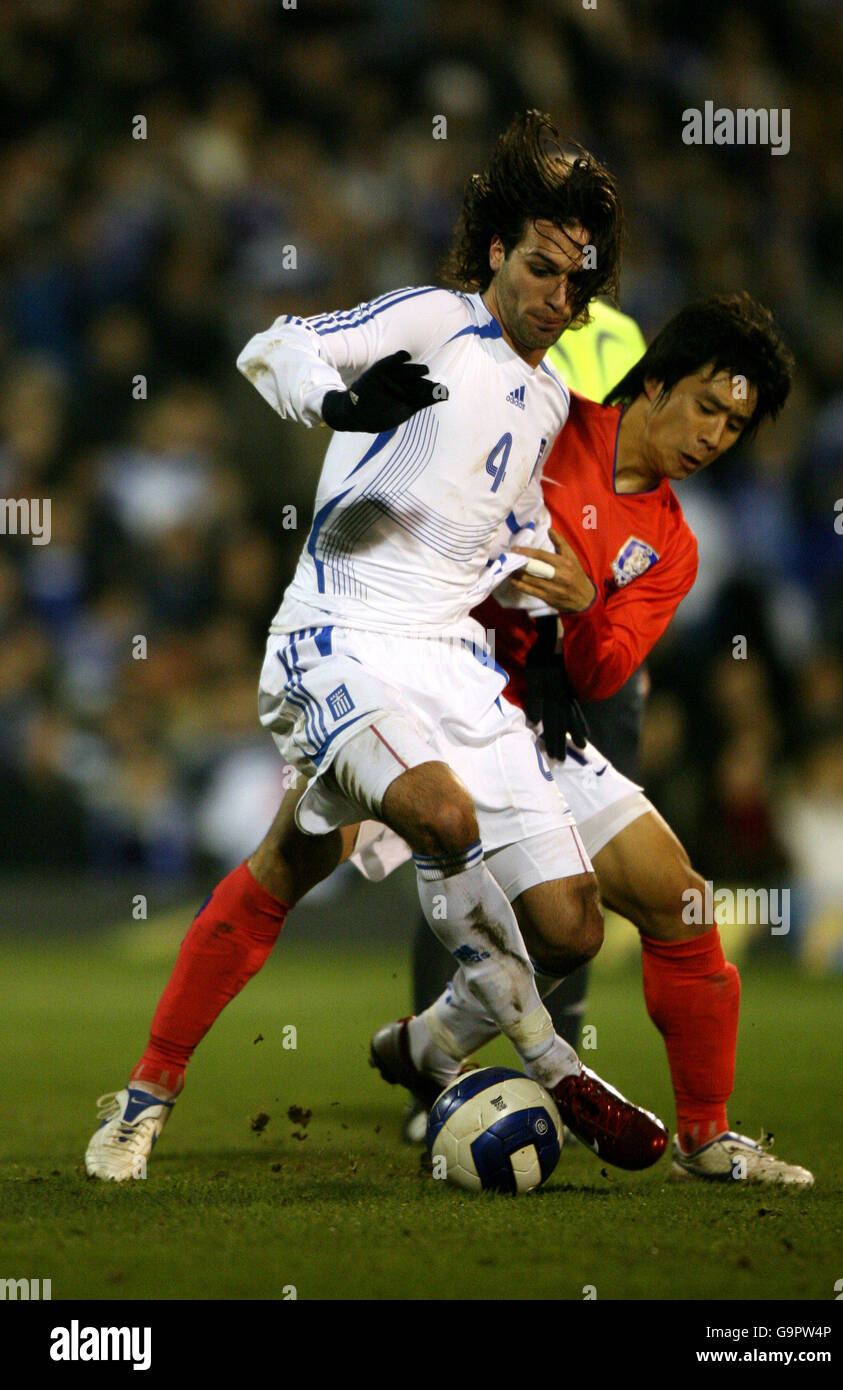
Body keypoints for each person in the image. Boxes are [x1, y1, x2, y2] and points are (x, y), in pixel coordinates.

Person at [85, 110, 668, 1182]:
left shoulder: (547, 396)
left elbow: (498, 527)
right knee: (438, 816)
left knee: (571, 924)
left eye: (573, 287)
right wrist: (342, 400)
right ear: (497, 252)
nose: (555, 299)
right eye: (540, 270)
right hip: (340, 635)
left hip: (449, 661)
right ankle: (547, 1057)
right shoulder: (435, 318)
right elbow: (278, 344)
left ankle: (425, 1045)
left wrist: (542, 639)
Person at [361, 293, 814, 1186]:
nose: (714, 435)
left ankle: (703, 1136)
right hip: (423, 688)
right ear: (653, 382)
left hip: (538, 726)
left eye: (734, 423)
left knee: (680, 903)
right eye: (704, 405)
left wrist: (582, 605)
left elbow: (605, 673)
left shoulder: (673, 543)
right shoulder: (548, 418)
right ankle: (149, 1093)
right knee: (284, 868)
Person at [405, 301, 648, 1142]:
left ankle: (547, 1058)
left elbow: (624, 479)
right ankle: (440, 1080)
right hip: (485, 638)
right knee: (454, 850)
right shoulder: (494, 327)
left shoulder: (613, 334)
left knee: (573, 868)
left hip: (587, 645)